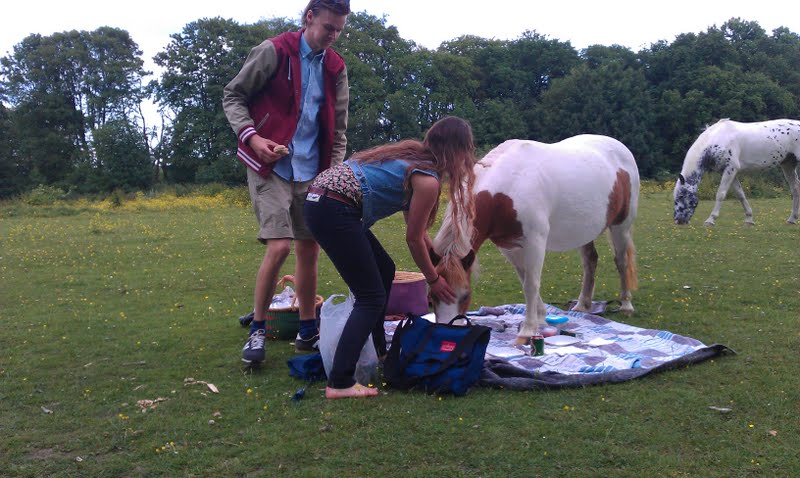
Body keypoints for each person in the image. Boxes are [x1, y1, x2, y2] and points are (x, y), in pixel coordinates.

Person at [303, 116, 477, 399]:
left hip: (322, 201)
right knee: (370, 297)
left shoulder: (412, 162)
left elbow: (418, 233)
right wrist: (432, 279)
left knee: (385, 270)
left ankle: (379, 351)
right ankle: (340, 381)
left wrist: (439, 260)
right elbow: (412, 238)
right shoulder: (427, 180)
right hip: (334, 208)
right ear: (458, 152)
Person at [222, 0, 351, 364]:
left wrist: (332, 175)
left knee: (309, 249)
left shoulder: (336, 68)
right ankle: (258, 330)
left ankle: (307, 330)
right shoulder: (273, 51)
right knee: (279, 247)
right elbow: (233, 95)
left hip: (313, 172)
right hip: (270, 165)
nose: (333, 36)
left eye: (339, 30)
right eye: (328, 27)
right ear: (309, 18)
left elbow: (338, 129)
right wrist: (251, 137)